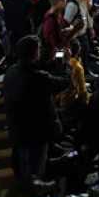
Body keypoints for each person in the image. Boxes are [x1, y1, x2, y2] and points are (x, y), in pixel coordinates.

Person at [4, 35, 65, 184]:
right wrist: (63, 64)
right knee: (35, 175)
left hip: (17, 130)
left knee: (22, 171)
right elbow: (62, 83)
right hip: (35, 133)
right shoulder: (38, 77)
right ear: (35, 52)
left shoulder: (11, 72)